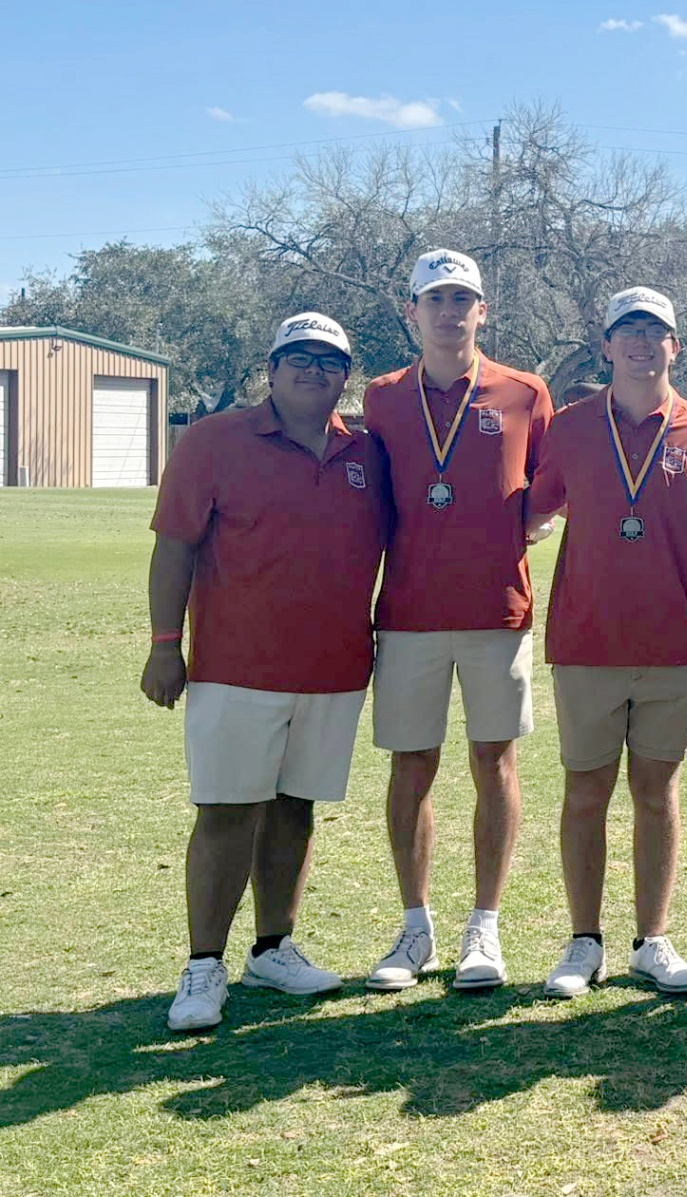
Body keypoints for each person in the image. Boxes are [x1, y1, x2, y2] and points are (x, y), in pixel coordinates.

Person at [143, 313, 385, 1031]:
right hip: (234, 665)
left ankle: (273, 947)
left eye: (329, 360)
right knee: (225, 812)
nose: (313, 370)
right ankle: (202, 964)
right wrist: (164, 643)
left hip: (335, 667)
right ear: (270, 369)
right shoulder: (216, 439)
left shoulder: (368, 451)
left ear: (346, 375)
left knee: (295, 807)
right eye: (298, 358)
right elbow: (175, 545)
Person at [361, 249, 554, 992]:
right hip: (407, 612)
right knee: (412, 765)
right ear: (411, 310)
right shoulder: (381, 396)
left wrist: (523, 527)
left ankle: (486, 927)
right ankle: (415, 929)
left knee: (493, 762)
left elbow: (548, 485)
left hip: (496, 611)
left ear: (484, 310)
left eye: (462, 299)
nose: (449, 311)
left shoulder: (525, 392)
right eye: (435, 298)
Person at [529, 287, 687, 998]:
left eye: (656, 331)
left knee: (657, 791)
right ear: (606, 345)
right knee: (585, 791)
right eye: (628, 331)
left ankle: (652, 938)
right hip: (585, 642)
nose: (642, 342)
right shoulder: (571, 427)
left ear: (676, 345)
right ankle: (584, 941)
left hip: (672, 643)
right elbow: (528, 509)